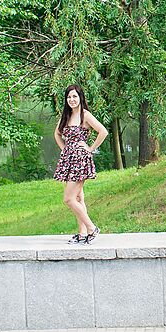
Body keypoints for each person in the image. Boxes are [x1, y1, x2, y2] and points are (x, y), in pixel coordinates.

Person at [53, 84, 108, 244]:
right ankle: (82, 233)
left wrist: (90, 148)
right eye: (69, 97)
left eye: (74, 96)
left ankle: (92, 228)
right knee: (78, 197)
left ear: (80, 98)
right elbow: (57, 134)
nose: (71, 99)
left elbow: (103, 131)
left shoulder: (85, 115)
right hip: (69, 160)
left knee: (69, 199)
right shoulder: (66, 115)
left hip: (80, 160)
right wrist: (64, 149)